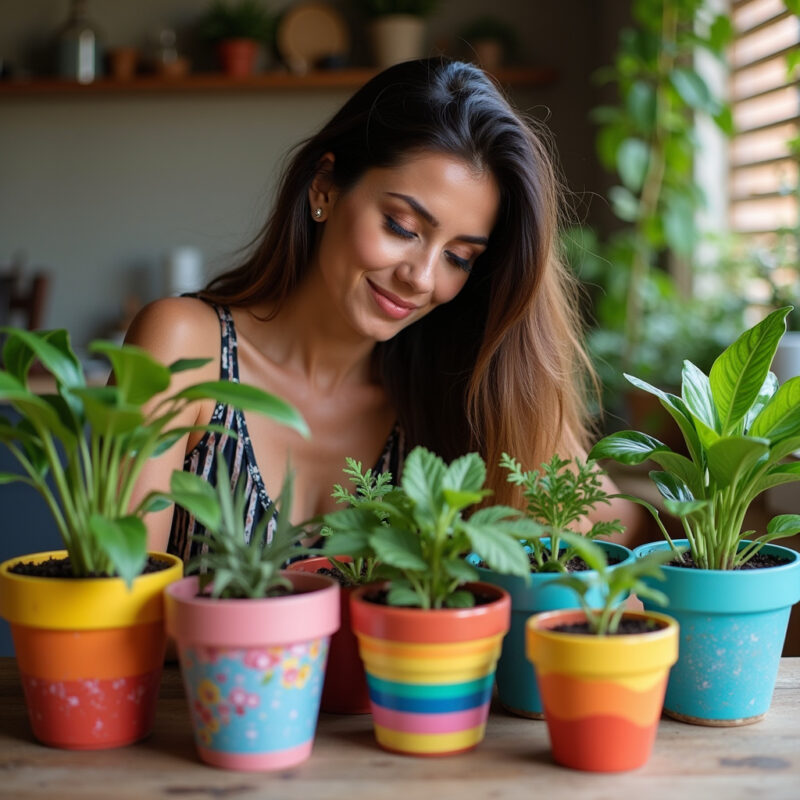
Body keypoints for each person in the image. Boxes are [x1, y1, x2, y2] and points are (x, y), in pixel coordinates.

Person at [126, 57, 641, 561]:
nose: (421, 277)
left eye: (459, 258)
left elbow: (615, 523)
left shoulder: (456, 393)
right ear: (324, 186)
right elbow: (113, 593)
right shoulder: (182, 346)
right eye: (401, 227)